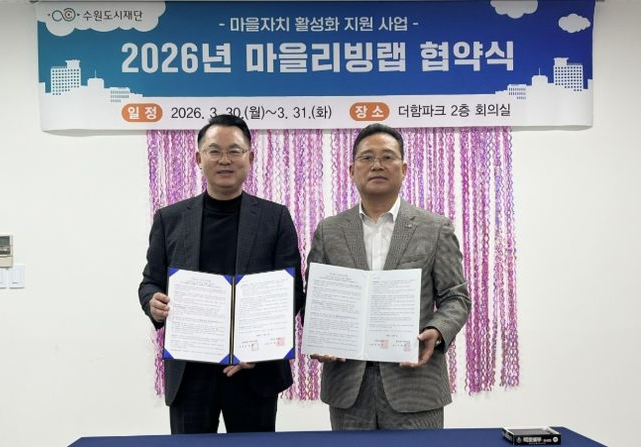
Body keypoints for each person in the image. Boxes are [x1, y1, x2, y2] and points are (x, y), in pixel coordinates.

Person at [138, 114, 304, 434]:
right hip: (191, 370)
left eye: (234, 151)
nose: (224, 160)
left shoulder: (275, 218)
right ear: (198, 158)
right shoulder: (170, 219)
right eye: (214, 151)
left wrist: (259, 349)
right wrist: (152, 302)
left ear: (250, 158)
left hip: (254, 370)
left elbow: (292, 291)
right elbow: (150, 282)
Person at [307, 123, 470, 430]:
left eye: (387, 157)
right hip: (348, 389)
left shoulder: (435, 228)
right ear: (351, 170)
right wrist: (320, 334)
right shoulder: (329, 231)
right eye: (367, 157)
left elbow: (456, 297)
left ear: (404, 169)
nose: (377, 165)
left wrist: (437, 331)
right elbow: (315, 298)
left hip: (416, 386)